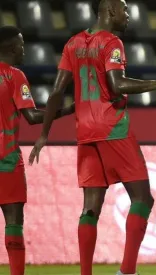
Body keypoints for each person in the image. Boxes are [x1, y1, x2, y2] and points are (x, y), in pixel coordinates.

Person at [28, 1, 156, 274]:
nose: (128, 15)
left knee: (90, 208)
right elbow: (117, 84)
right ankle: (127, 271)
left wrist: (44, 134)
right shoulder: (112, 42)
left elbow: (56, 92)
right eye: (124, 9)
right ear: (110, 9)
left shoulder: (73, 43)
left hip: (85, 132)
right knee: (143, 199)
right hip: (113, 129)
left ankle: (86, 272)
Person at [0, 26, 74, 275]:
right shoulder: (14, 76)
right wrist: (68, 110)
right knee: (13, 220)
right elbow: (32, 117)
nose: (24, 49)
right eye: (21, 44)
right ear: (11, 48)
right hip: (7, 158)